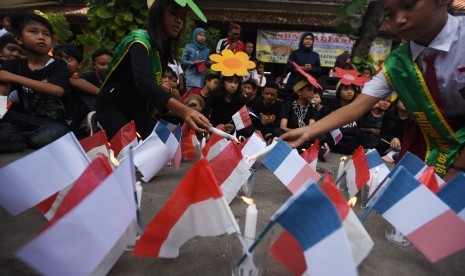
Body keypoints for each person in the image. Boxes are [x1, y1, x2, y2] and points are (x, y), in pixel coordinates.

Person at [281, 0, 465, 181]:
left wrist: (456, 171)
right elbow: (357, 106)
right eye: (390, 14)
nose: (400, 19)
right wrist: (307, 131)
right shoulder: (398, 64)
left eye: (409, 5)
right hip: (426, 149)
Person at [96, 0, 210, 141]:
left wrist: (182, 108)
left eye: (182, 17)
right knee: (129, 152)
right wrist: (184, 111)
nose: (178, 21)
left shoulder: (162, 50)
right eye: (173, 14)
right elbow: (144, 82)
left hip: (137, 111)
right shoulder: (140, 41)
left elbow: (153, 88)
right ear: (158, 13)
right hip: (113, 106)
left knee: (170, 142)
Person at [0, 13, 70, 151]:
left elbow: (57, 90)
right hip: (26, 120)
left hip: (55, 123)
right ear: (19, 38)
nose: (41, 37)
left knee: (49, 136)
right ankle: (10, 137)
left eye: (46, 34)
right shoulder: (13, 65)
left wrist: (12, 77)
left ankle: (14, 138)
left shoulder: (58, 65)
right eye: (33, 31)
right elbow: (3, 88)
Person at [53, 45, 100, 138]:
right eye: (58, 59)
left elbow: (100, 93)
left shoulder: (80, 82)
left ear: (79, 65)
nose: (63, 63)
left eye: (69, 59)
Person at [275, 79, 315, 152]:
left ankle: (295, 147)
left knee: (321, 136)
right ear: (299, 92)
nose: (313, 93)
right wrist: (297, 132)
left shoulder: (311, 108)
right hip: (290, 134)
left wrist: (303, 133)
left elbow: (311, 127)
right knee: (278, 131)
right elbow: (283, 127)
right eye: (309, 90)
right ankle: (303, 148)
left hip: (305, 135)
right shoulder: (288, 105)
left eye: (313, 91)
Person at [284, 32, 321, 102]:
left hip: (308, 85)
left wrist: (311, 68)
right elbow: (288, 67)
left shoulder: (315, 55)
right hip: (294, 84)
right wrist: (301, 68)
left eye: (310, 39)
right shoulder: (295, 53)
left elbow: (319, 70)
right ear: (302, 40)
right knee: (290, 104)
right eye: (306, 39)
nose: (308, 41)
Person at [181, 27, 210, 92]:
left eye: (204, 35)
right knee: (190, 96)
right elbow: (183, 61)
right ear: (195, 35)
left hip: (202, 76)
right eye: (200, 35)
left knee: (199, 97)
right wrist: (193, 63)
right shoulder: (189, 47)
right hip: (191, 76)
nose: (202, 37)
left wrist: (209, 63)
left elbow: (206, 63)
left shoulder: (207, 50)